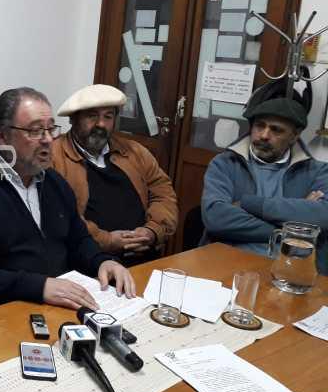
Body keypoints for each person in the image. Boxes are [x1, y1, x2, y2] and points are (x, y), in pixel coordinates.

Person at [0, 87, 135, 317]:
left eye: (51, 129)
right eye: (36, 131)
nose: (48, 139)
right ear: (3, 136)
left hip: (58, 307)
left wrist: (102, 262)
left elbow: (78, 239)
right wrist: (39, 287)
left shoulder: (54, 182)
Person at [201, 92, 328, 273]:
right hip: (228, 264)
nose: (264, 135)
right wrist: (294, 228)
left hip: (292, 271)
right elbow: (216, 218)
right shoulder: (225, 163)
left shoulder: (318, 172)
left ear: (295, 135)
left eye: (276, 130)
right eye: (259, 126)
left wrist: (249, 204)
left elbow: (323, 216)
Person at [52, 84, 178, 265]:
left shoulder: (135, 152)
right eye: (92, 116)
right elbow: (59, 216)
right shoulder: (53, 157)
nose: (101, 124)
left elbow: (163, 193)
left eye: (108, 116)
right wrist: (107, 241)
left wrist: (152, 231)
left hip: (144, 257)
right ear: (73, 119)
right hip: (88, 263)